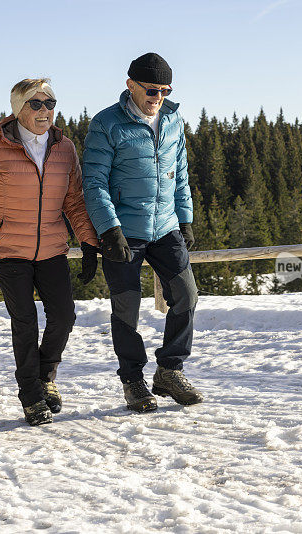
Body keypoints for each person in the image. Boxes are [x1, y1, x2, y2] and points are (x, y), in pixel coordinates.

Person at [0, 78, 100, 426]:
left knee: (64, 316)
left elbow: (74, 201)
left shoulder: (64, 148)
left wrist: (88, 242)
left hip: (51, 246)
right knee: (25, 321)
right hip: (7, 248)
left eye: (50, 103)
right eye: (36, 103)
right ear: (18, 109)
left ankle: (46, 377)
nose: (45, 110)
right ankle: (31, 395)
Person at [82, 53, 202, 413]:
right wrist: (109, 228)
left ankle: (170, 370)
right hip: (124, 231)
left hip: (165, 226)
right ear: (130, 84)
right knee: (127, 308)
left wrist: (185, 218)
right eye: (152, 89)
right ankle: (132, 380)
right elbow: (94, 182)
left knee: (186, 295)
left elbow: (179, 172)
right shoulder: (106, 124)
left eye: (165, 89)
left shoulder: (172, 118)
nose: (158, 97)